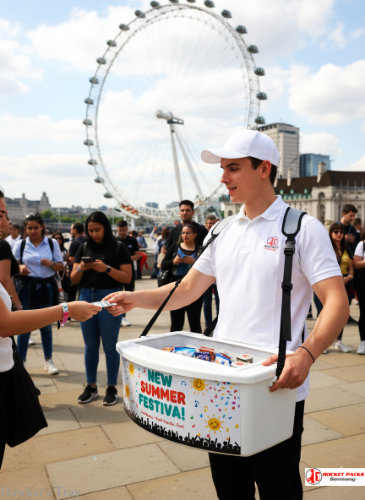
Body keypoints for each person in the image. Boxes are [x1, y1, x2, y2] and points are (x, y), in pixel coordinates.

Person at [104, 129, 349, 500]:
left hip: (274, 383)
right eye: (223, 168)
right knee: (229, 488)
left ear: (264, 169)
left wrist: (307, 353)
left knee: (278, 486)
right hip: (220, 382)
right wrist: (136, 299)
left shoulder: (301, 228)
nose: (223, 178)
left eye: (233, 168)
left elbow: (337, 301)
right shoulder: (221, 230)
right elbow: (186, 290)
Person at [0, 187, 101, 469]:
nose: (8, 224)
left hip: (43, 289)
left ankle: (46, 359)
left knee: (41, 329)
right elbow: (4, 324)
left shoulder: (43, 244)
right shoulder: (13, 246)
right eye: (0, 214)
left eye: (7, 214)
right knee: (26, 330)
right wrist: (66, 309)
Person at [71, 211, 132, 406]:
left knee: (109, 346)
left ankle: (112, 387)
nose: (94, 234)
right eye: (91, 230)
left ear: (106, 228)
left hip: (109, 297)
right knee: (90, 346)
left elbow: (127, 277)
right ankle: (91, 386)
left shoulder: (119, 248)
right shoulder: (83, 247)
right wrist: (81, 268)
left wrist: (105, 268)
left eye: (98, 229)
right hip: (86, 296)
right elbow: (73, 279)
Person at [13, 214, 64, 375]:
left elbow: (61, 266)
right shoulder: (20, 245)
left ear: (42, 227)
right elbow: (12, 266)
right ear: (25, 229)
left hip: (46, 287)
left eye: (36, 227)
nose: (33, 231)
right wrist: (20, 268)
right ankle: (21, 362)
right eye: (29, 228)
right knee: (24, 327)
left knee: (46, 326)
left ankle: (48, 360)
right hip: (27, 287)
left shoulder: (51, 243)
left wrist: (51, 264)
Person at [315, 223, 354, 352]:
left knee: (341, 313)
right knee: (324, 313)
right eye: (335, 232)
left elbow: (351, 266)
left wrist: (349, 276)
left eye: (341, 232)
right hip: (327, 282)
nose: (338, 234)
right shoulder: (326, 248)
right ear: (331, 233)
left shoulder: (346, 248)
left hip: (345, 281)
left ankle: (339, 340)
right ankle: (321, 342)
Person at [161, 223, 202, 332]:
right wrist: (173, 262)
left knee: (195, 323)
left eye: (188, 233)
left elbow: (207, 268)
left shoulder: (200, 249)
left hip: (194, 289)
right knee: (176, 323)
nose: (185, 235)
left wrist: (194, 262)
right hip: (176, 289)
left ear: (194, 235)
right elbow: (163, 264)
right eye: (183, 233)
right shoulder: (175, 247)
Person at [116, 220, 140, 326]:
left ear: (127, 229)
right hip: (117, 272)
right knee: (117, 294)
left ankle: (123, 315)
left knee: (128, 294)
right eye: (120, 230)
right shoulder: (114, 241)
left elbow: (138, 255)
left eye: (124, 230)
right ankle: (121, 317)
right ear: (117, 230)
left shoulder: (133, 240)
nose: (122, 232)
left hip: (129, 271)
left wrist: (125, 259)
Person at [202, 214, 220, 328]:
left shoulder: (222, 236)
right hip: (205, 276)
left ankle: (218, 324)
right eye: (209, 223)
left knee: (220, 303)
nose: (210, 225)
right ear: (205, 224)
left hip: (218, 276)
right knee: (206, 303)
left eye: (212, 223)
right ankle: (208, 326)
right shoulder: (203, 237)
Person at [66, 222, 86, 303]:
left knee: (71, 297)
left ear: (74, 230)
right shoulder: (87, 241)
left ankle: (68, 315)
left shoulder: (75, 243)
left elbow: (71, 260)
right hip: (86, 274)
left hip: (75, 272)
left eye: (71, 230)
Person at [353, 228, 365, 354]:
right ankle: (363, 342)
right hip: (363, 282)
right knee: (364, 312)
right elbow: (356, 264)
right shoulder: (362, 244)